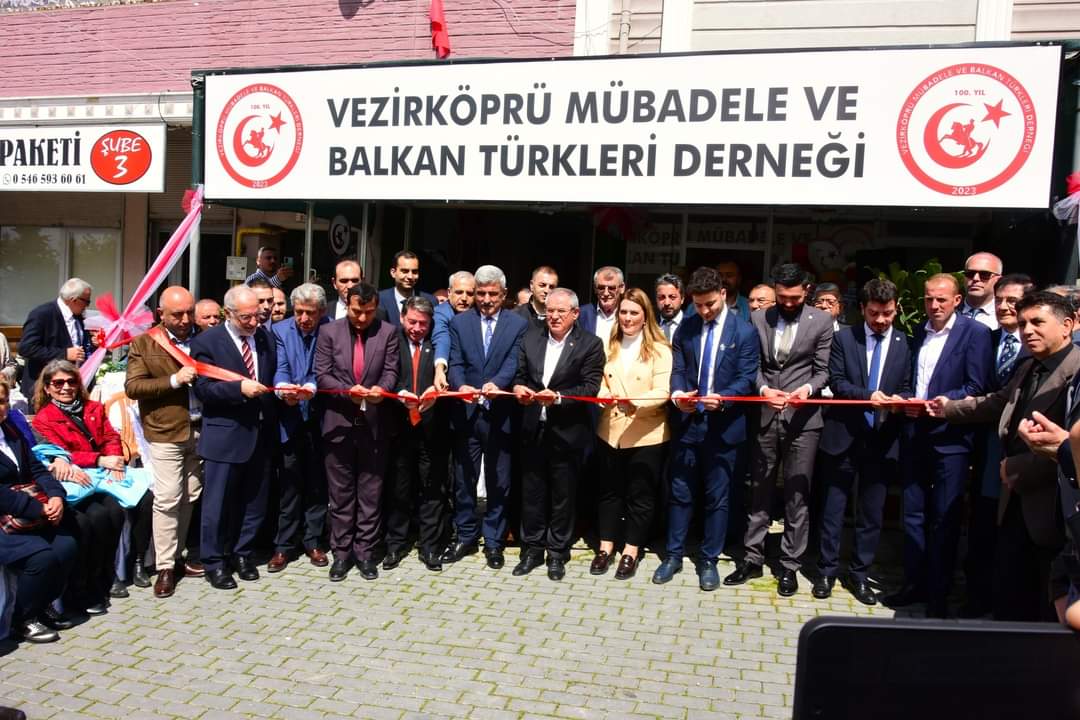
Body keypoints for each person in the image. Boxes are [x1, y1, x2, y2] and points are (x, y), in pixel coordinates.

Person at [932, 291, 1079, 621]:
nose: (1027, 330)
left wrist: (1018, 467)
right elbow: (997, 402)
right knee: (1012, 588)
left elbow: (1073, 448)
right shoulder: (1027, 366)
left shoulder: (1076, 373)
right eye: (1023, 323)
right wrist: (949, 408)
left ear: (1067, 325)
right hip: (1014, 499)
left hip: (1055, 509)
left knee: (1047, 605)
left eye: (1037, 322)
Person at [884, 273, 992, 617]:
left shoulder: (975, 334)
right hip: (915, 434)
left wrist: (945, 401)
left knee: (945, 518)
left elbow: (977, 385)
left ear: (957, 301)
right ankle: (913, 584)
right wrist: (904, 399)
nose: (934, 305)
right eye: (929, 299)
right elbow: (911, 380)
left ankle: (938, 594)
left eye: (941, 299)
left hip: (951, 439)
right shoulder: (918, 332)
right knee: (913, 516)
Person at [724, 263, 834, 597]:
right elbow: (751, 364)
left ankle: (789, 565)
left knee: (797, 494)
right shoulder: (759, 318)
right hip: (765, 415)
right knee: (759, 490)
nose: (787, 303)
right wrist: (762, 389)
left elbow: (823, 370)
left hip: (803, 420)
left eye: (794, 298)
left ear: (807, 291)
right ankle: (752, 558)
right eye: (782, 297)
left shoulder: (821, 321)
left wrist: (808, 390)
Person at [653, 268, 759, 591]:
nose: (704, 311)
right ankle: (673, 555)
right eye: (698, 305)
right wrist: (678, 394)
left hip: (724, 427)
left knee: (718, 498)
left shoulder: (744, 332)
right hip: (688, 424)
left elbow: (747, 377)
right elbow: (679, 368)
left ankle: (709, 559)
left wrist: (723, 399)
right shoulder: (686, 327)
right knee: (680, 493)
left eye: (710, 304)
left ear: (723, 294)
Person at [812, 278, 912, 606]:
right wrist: (870, 396)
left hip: (881, 440)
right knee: (833, 509)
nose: (881, 320)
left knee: (872, 513)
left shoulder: (904, 343)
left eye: (887, 313)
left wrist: (901, 400)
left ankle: (859, 574)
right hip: (843, 436)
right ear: (862, 309)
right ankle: (826, 572)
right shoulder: (844, 338)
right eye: (874, 313)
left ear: (896, 309)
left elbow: (908, 385)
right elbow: (838, 382)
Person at [511, 288, 604, 581]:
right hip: (533, 429)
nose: (553, 316)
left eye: (560, 311)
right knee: (532, 493)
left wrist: (559, 398)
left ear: (575, 314)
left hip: (568, 431)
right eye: (549, 310)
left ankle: (557, 552)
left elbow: (590, 387)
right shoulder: (530, 338)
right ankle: (532, 549)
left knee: (563, 496)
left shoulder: (590, 344)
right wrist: (518, 388)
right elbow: (520, 375)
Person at [190, 285, 278, 590]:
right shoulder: (207, 342)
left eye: (257, 315)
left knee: (254, 502)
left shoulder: (265, 337)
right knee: (217, 504)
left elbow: (270, 376)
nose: (254, 322)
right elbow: (203, 389)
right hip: (225, 436)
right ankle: (214, 562)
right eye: (246, 318)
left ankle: (243, 554)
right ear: (228, 313)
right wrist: (238, 389)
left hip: (260, 433)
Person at [444, 265, 528, 570]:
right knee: (464, 479)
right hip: (467, 413)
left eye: (493, 294)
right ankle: (465, 535)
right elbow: (455, 361)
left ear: (504, 294)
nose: (487, 299)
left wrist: (499, 383)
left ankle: (493, 540)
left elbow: (514, 360)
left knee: (498, 480)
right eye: (481, 293)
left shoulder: (517, 324)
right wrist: (460, 385)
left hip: (500, 414)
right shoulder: (460, 322)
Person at [960, 273, 1033, 617]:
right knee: (981, 524)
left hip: (1021, 455)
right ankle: (976, 599)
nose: (1004, 307)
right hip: (981, 449)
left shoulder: (1037, 350)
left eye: (1013, 301)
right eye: (1000, 300)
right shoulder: (984, 339)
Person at [123, 287, 203, 599]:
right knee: (168, 498)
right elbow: (133, 387)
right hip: (166, 431)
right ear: (161, 314)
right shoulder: (144, 342)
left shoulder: (204, 338)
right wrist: (174, 380)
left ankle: (177, 555)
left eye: (189, 312)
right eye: (177, 314)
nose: (185, 320)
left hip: (201, 430)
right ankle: (164, 566)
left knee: (190, 494)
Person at [315, 283, 398, 582]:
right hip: (339, 424)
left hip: (374, 425)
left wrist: (381, 389)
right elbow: (322, 374)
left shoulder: (388, 332)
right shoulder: (329, 332)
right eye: (356, 312)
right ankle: (341, 554)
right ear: (347, 305)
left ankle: (365, 553)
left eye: (369, 312)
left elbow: (391, 370)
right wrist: (346, 392)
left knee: (370, 494)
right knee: (340, 496)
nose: (362, 318)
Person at [31, 361, 127, 613]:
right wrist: (98, 459)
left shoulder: (93, 407)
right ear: (47, 387)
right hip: (73, 480)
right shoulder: (44, 418)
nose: (66, 387)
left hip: (99, 475)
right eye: (58, 383)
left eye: (71, 381)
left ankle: (107, 573)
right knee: (92, 519)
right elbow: (60, 453)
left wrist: (114, 458)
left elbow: (110, 437)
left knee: (116, 511)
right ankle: (84, 584)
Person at [593, 288, 673, 581]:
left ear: (645, 316)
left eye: (633, 313)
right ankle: (605, 547)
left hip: (646, 433)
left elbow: (663, 391)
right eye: (623, 312)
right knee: (609, 492)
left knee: (641, 495)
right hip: (610, 431)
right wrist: (603, 396)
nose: (627, 318)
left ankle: (631, 550)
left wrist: (635, 402)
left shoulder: (660, 350)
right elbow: (598, 381)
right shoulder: (608, 345)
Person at [0, 379, 78, 644]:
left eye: (3, 401)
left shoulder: (10, 430)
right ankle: (22, 619)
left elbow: (37, 469)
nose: (1, 408)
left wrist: (55, 495)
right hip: (8, 517)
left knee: (66, 547)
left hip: (26, 513)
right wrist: (37, 508)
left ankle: (42, 605)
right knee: (41, 557)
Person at [268, 283, 330, 574]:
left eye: (310, 313)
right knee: (289, 483)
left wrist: (312, 387)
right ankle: (283, 545)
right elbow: (280, 366)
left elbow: (326, 368)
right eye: (299, 312)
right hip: (289, 418)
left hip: (319, 418)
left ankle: (313, 541)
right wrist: (283, 389)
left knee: (317, 483)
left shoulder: (330, 330)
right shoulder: (280, 331)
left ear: (322, 312)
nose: (304, 318)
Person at [387, 296, 449, 572]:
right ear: (402, 318)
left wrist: (437, 390)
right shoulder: (392, 341)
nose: (417, 328)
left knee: (432, 488)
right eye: (412, 322)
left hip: (432, 428)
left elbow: (450, 375)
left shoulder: (439, 344)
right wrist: (400, 392)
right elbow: (385, 374)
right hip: (399, 426)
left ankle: (430, 547)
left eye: (423, 323)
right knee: (399, 487)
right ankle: (395, 544)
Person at [17, 277, 97, 399]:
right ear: (73, 300)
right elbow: (26, 348)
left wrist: (93, 344)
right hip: (45, 389)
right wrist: (64, 354)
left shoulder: (79, 316)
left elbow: (80, 345)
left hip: (73, 387)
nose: (87, 306)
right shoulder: (42, 314)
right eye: (86, 301)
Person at [433, 270, 476, 392]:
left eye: (469, 293)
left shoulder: (480, 314)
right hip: (449, 379)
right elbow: (441, 339)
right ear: (449, 292)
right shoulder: (441, 313)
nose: (464, 298)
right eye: (459, 292)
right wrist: (440, 369)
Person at [378, 250, 436, 328]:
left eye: (414, 272)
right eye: (405, 271)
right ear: (393, 273)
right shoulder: (380, 299)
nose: (410, 276)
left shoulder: (431, 301)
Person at [579, 266, 625, 343]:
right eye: (601, 288)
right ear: (595, 288)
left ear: (622, 288)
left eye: (611, 288)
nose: (606, 293)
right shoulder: (582, 313)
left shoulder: (628, 314)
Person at [959, 251, 1003, 329]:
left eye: (984, 274)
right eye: (970, 273)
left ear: (998, 280)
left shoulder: (1006, 314)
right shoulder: (949, 311)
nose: (975, 278)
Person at [514, 266, 558, 331]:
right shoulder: (516, 315)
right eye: (542, 285)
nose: (547, 290)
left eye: (551, 287)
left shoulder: (561, 318)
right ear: (532, 285)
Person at [655, 273, 691, 342]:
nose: (667, 303)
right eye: (661, 297)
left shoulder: (693, 326)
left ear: (682, 299)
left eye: (672, 297)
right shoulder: (650, 326)